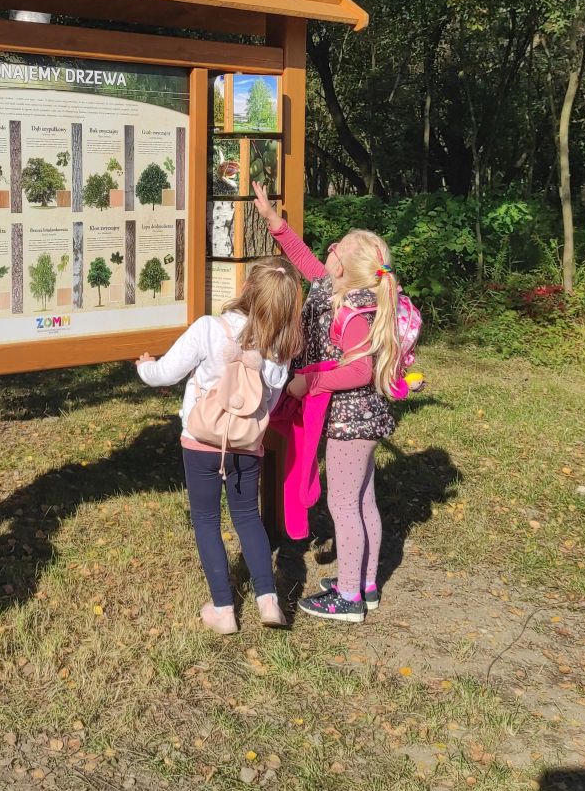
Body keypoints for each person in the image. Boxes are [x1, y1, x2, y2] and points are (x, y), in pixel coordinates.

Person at [252, 182, 401, 623]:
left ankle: (349, 597)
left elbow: (359, 371)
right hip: (362, 421)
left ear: (342, 266)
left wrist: (309, 381)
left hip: (350, 425)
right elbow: (303, 259)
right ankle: (366, 584)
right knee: (364, 500)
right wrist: (273, 221)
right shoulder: (336, 290)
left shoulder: (351, 311)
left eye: (335, 247)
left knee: (343, 506)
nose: (328, 250)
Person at [136, 256, 303, 634]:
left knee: (206, 520)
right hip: (247, 443)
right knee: (247, 517)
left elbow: (165, 373)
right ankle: (268, 601)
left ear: (245, 288)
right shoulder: (280, 347)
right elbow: (271, 402)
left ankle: (223, 609)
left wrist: (144, 367)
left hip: (201, 440)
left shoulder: (210, 328)